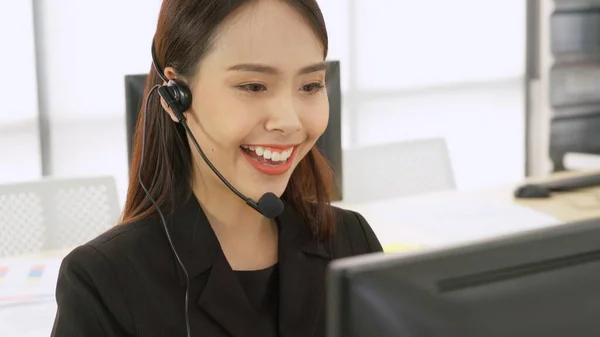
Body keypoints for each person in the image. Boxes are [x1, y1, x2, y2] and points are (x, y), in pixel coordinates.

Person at [51, 0, 382, 336]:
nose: (289, 121)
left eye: (310, 85)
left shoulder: (351, 241)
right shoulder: (102, 282)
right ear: (174, 97)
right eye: (253, 86)